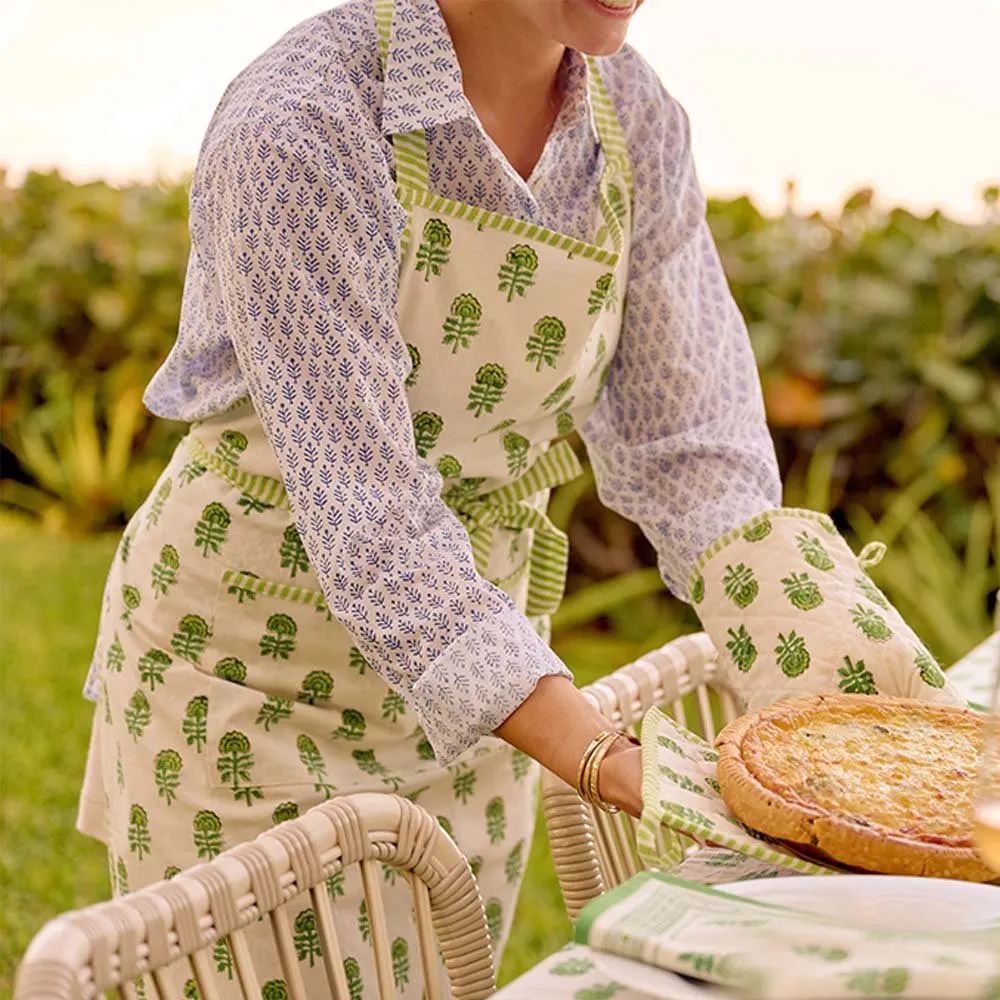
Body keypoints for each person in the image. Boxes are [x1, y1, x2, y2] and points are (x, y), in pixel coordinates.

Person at [77, 0, 963, 995]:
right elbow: (372, 521)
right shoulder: (303, 120)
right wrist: (617, 763)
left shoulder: (632, 117)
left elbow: (692, 447)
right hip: (254, 683)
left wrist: (845, 677)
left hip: (488, 687)